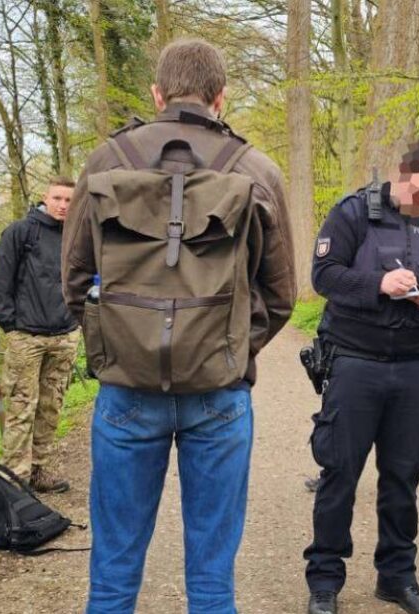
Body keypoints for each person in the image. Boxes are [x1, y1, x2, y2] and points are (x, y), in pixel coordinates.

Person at [61, 38, 295, 614]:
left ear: (157, 94)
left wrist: (117, 344)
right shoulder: (256, 169)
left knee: (113, 573)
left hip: (127, 390)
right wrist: (230, 345)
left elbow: (72, 279)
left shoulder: (106, 161)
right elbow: (282, 293)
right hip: (219, 390)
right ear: (221, 97)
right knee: (213, 582)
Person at [303, 139, 419, 614]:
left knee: (403, 476)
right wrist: (377, 283)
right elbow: (323, 275)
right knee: (340, 472)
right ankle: (324, 580)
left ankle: (397, 577)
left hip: (414, 367)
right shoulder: (354, 213)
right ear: (404, 174)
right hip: (355, 361)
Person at [0, 176, 81, 493]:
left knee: (51, 406)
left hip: (65, 334)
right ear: (46, 197)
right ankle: (14, 479)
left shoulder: (76, 235)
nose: (63, 205)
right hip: (26, 336)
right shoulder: (21, 232)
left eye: (69, 200)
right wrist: (11, 325)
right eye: (58, 198)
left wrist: (77, 320)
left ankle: (39, 469)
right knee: (20, 408)